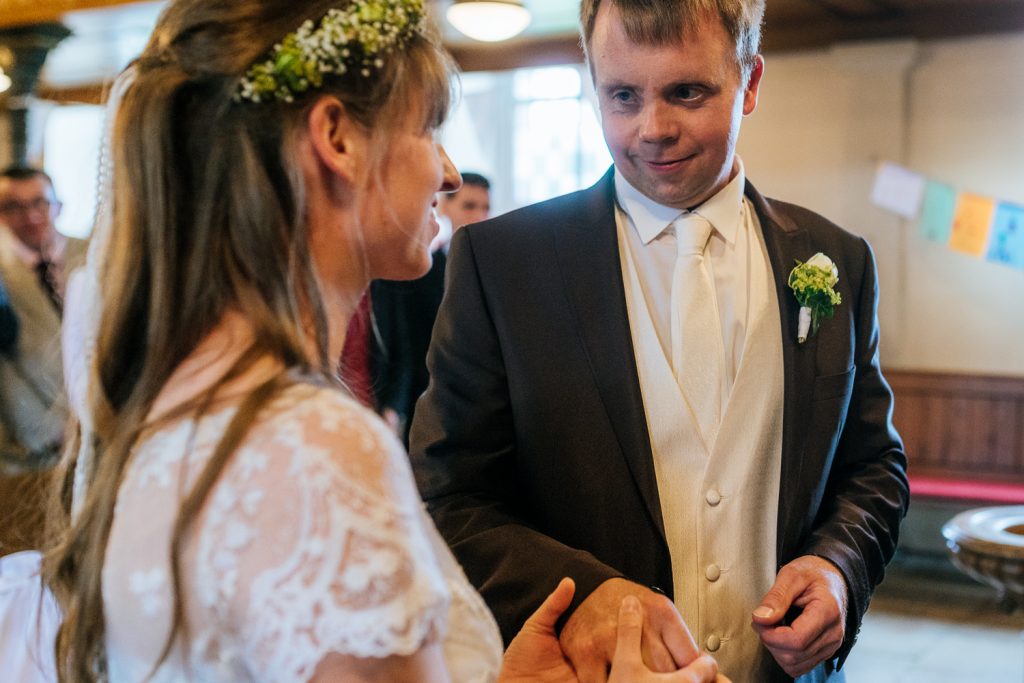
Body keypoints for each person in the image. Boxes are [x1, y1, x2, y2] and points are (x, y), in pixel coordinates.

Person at [38, 1, 724, 682]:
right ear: (336, 136)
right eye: (429, 127)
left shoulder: (175, 408)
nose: (449, 173)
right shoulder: (316, 448)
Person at [410, 1, 909, 681]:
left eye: (687, 92)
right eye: (622, 96)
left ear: (751, 81)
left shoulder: (837, 259)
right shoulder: (503, 265)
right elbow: (450, 497)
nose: (652, 130)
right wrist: (584, 594)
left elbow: (872, 465)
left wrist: (838, 568)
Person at [370, 171, 492, 444]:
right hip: (424, 404)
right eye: (469, 206)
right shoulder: (420, 272)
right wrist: (395, 404)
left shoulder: (500, 276)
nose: (480, 216)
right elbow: (403, 345)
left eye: (485, 208)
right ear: (445, 205)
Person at [0, 167, 87, 469]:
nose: (30, 215)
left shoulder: (94, 253)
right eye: (14, 206)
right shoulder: (3, 275)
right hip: (37, 447)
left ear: (57, 206)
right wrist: (49, 431)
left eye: (39, 202)